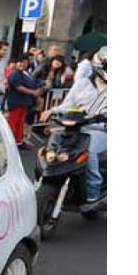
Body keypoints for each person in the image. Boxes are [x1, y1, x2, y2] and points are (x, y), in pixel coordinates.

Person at [41, 52, 107, 202]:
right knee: (52, 147)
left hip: (100, 130)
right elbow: (68, 105)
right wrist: (51, 110)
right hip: (76, 127)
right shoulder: (82, 83)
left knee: (88, 152)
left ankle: (93, 189)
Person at [6, 54, 44, 145]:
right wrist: (33, 92)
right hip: (16, 101)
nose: (22, 64)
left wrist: (39, 90)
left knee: (20, 122)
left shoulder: (26, 74)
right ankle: (9, 141)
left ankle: (19, 141)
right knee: (13, 122)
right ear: (16, 63)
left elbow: (35, 83)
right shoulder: (15, 74)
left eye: (25, 63)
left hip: (25, 102)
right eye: (20, 62)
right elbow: (19, 87)